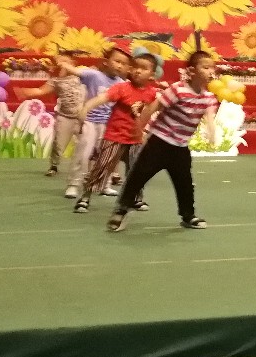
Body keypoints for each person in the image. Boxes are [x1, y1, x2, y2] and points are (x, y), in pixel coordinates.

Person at [107, 51, 219, 232]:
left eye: (212, 67)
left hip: (180, 147)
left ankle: (188, 215)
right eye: (205, 67)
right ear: (192, 71)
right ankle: (121, 209)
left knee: (184, 183)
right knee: (138, 177)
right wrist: (139, 128)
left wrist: (212, 132)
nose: (210, 71)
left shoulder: (208, 97)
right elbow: (153, 107)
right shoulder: (177, 90)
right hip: (159, 142)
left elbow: (210, 116)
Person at [73, 53, 158, 214]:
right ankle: (85, 197)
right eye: (135, 67)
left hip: (135, 139)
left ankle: (135, 198)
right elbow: (102, 98)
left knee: (137, 170)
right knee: (102, 167)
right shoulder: (122, 88)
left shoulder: (152, 93)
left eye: (144, 68)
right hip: (114, 136)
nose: (138, 71)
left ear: (152, 74)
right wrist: (86, 107)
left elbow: (156, 111)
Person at [63, 47, 129, 199]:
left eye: (123, 64)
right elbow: (76, 71)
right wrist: (64, 64)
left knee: (106, 156)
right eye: (117, 61)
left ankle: (104, 184)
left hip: (108, 125)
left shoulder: (121, 84)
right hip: (90, 121)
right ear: (106, 62)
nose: (119, 66)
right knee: (83, 153)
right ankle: (74, 184)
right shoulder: (94, 75)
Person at [14, 50, 85, 178]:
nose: (62, 64)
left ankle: (88, 169)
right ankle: (54, 166)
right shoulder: (56, 81)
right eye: (60, 62)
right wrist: (25, 92)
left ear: (72, 63)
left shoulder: (82, 75)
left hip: (83, 117)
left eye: (65, 62)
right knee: (58, 144)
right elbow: (40, 90)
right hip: (65, 117)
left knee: (88, 143)